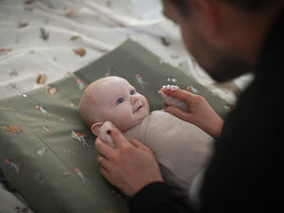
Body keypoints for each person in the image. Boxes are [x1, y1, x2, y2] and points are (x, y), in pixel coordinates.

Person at [95, 0, 284, 212]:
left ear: (206, 11)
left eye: (176, 23)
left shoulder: (256, 128)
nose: (134, 98)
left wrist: (147, 190)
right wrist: (222, 130)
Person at [79, 76, 213, 192]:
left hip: (221, 156)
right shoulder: (127, 141)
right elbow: (117, 156)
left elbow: (189, 117)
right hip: (199, 182)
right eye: (120, 100)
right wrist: (107, 134)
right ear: (101, 126)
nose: (134, 99)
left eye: (132, 91)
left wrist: (178, 103)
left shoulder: (161, 113)